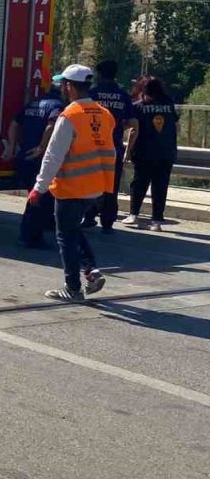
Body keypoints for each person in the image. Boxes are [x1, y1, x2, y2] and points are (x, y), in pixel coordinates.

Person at [30, 64, 116, 301]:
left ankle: (73, 288)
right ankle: (91, 271)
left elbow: (53, 155)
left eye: (62, 84)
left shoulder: (69, 116)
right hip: (96, 186)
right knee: (72, 229)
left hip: (71, 187)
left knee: (65, 236)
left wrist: (39, 187)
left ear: (69, 86)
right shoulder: (104, 114)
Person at [3, 83, 64, 247]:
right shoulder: (58, 106)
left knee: (38, 194)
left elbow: (15, 124)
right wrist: (42, 147)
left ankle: (40, 228)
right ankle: (30, 237)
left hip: (25, 155)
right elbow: (51, 126)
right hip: (39, 158)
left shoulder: (32, 103)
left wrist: (12, 146)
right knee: (38, 198)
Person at [85, 59, 137, 232]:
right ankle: (107, 223)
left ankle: (89, 216)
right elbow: (132, 123)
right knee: (111, 186)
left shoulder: (93, 93)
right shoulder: (123, 95)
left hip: (91, 148)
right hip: (113, 148)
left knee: (91, 183)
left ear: (99, 75)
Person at [123, 76, 180, 231]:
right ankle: (156, 221)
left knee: (139, 184)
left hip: (144, 152)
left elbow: (134, 130)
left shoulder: (139, 106)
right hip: (166, 152)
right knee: (160, 186)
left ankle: (133, 214)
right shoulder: (168, 104)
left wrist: (128, 152)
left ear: (143, 89)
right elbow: (176, 127)